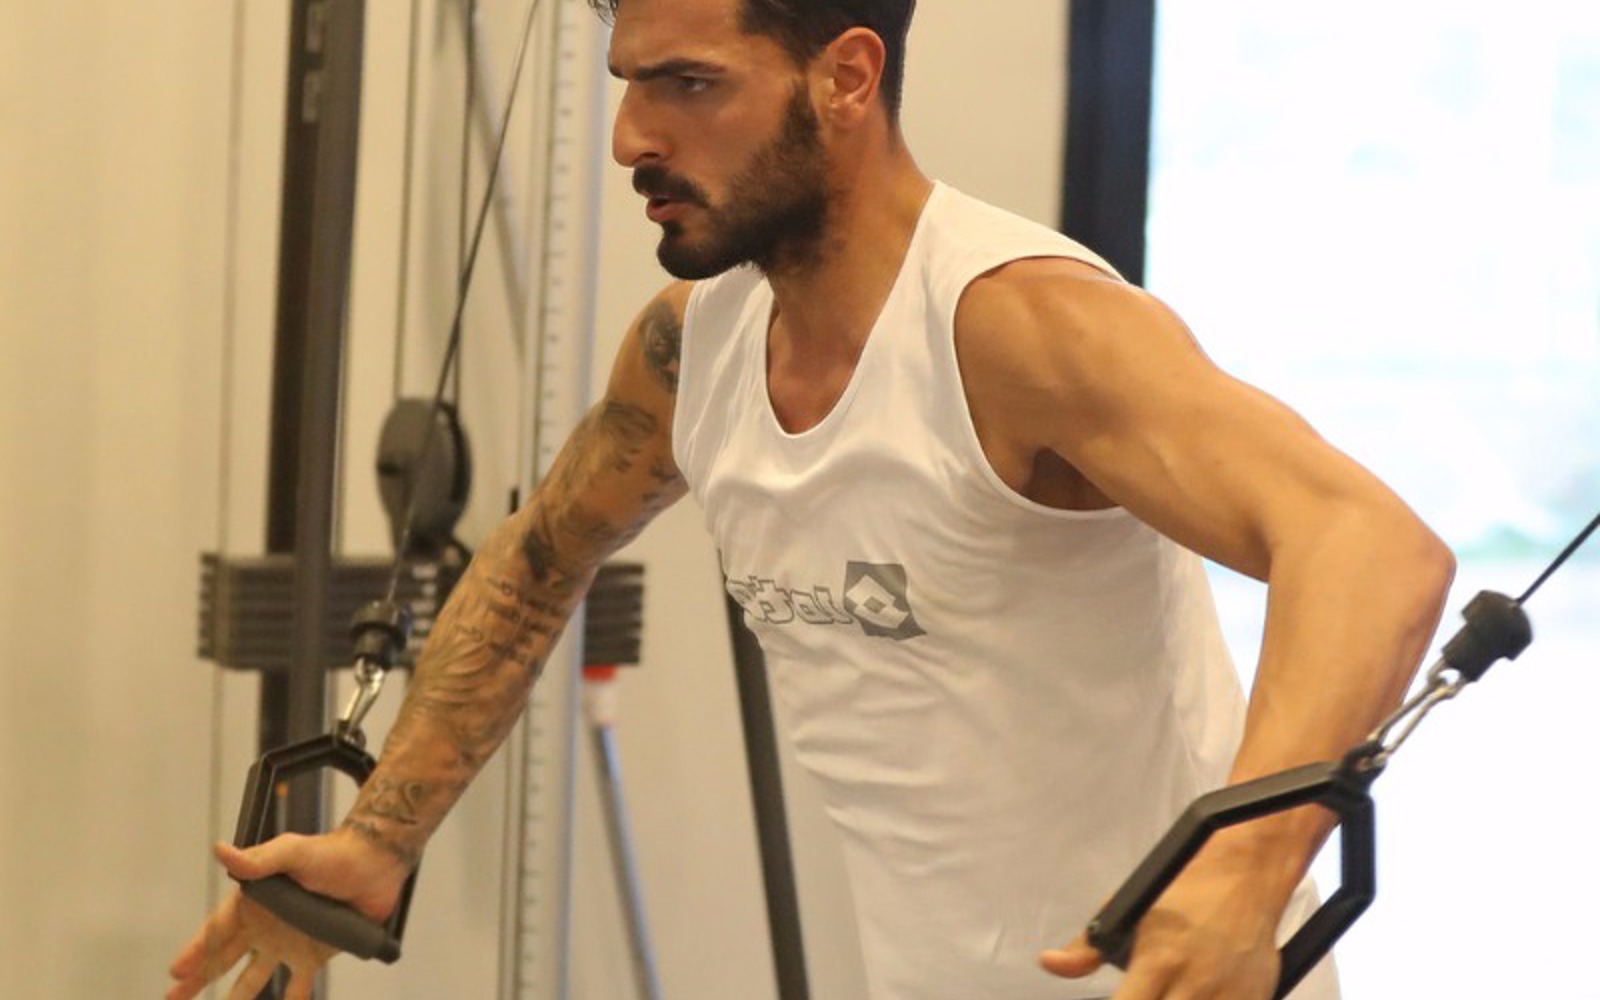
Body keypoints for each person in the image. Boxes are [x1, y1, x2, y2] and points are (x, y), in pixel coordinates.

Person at [167, 1, 1456, 998]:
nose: (632, 139)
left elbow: (1372, 548)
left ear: (845, 77)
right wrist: (380, 838)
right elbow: (534, 561)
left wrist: (1245, 874)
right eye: (628, 86)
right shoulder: (694, 345)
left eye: (689, 86)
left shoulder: (1015, 326)